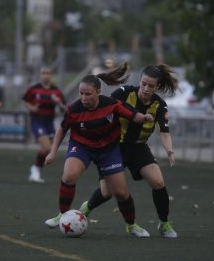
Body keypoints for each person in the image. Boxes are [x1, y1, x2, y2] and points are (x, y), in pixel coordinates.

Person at [44, 62, 154, 237]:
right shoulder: (74, 109)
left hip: (108, 150)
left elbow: (133, 115)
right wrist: (52, 152)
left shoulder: (112, 105)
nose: (84, 98)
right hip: (82, 147)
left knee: (120, 192)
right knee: (69, 176)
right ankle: (62, 215)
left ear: (98, 92)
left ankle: (132, 225)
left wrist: (145, 117)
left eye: (88, 94)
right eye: (81, 94)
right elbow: (62, 128)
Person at [78, 64, 179, 238]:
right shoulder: (125, 92)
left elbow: (164, 132)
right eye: (144, 84)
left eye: (151, 86)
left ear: (157, 87)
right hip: (114, 146)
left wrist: (169, 149)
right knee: (107, 192)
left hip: (138, 148)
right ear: (139, 81)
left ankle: (164, 224)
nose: (146, 89)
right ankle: (85, 209)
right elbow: (104, 106)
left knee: (158, 182)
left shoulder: (159, 105)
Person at [22, 66, 67, 183]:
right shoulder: (33, 90)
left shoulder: (56, 91)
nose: (45, 75)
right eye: (43, 73)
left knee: (47, 150)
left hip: (49, 122)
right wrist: (32, 107)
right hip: (37, 121)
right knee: (46, 147)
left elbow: (64, 109)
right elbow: (25, 100)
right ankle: (35, 169)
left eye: (48, 73)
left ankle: (35, 168)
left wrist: (59, 103)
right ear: (40, 75)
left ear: (51, 75)